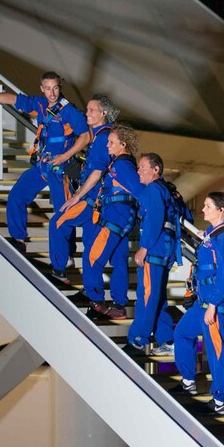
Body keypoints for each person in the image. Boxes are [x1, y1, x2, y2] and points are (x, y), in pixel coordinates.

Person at [0, 72, 90, 255]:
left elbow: (86, 136)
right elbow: (13, 99)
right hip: (42, 166)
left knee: (62, 213)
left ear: (60, 88)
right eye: (48, 88)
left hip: (61, 170)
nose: (52, 93)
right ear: (42, 89)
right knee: (16, 196)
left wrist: (66, 156)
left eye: (55, 88)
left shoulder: (70, 111)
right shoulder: (39, 104)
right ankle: (18, 240)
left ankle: (65, 257)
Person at [62, 122, 141, 319]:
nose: (107, 145)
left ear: (122, 144)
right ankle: (119, 305)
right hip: (122, 219)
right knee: (119, 260)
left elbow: (140, 192)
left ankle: (97, 302)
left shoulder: (122, 166)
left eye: (111, 142)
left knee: (91, 258)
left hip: (115, 218)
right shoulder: (123, 163)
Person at [168, 192, 224, 412]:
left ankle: (220, 400)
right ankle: (188, 382)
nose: (203, 210)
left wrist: (215, 305)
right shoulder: (215, 234)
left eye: (208, 206)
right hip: (203, 302)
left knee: (217, 352)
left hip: (214, 306)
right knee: (182, 333)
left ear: (221, 210)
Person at [48, 94, 119, 285]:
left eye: (92, 110)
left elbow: (97, 173)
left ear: (104, 113)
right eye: (87, 109)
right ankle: (93, 293)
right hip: (98, 203)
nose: (87, 113)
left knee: (57, 222)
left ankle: (58, 270)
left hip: (91, 200)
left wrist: (76, 197)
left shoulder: (103, 136)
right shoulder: (102, 136)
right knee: (89, 249)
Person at [125, 153, 179, 350]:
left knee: (147, 294)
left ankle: (138, 338)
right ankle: (166, 337)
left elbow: (154, 220)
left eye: (142, 167)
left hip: (154, 248)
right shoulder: (164, 190)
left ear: (155, 170)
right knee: (157, 294)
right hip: (165, 247)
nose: (138, 170)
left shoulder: (153, 190)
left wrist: (143, 248)